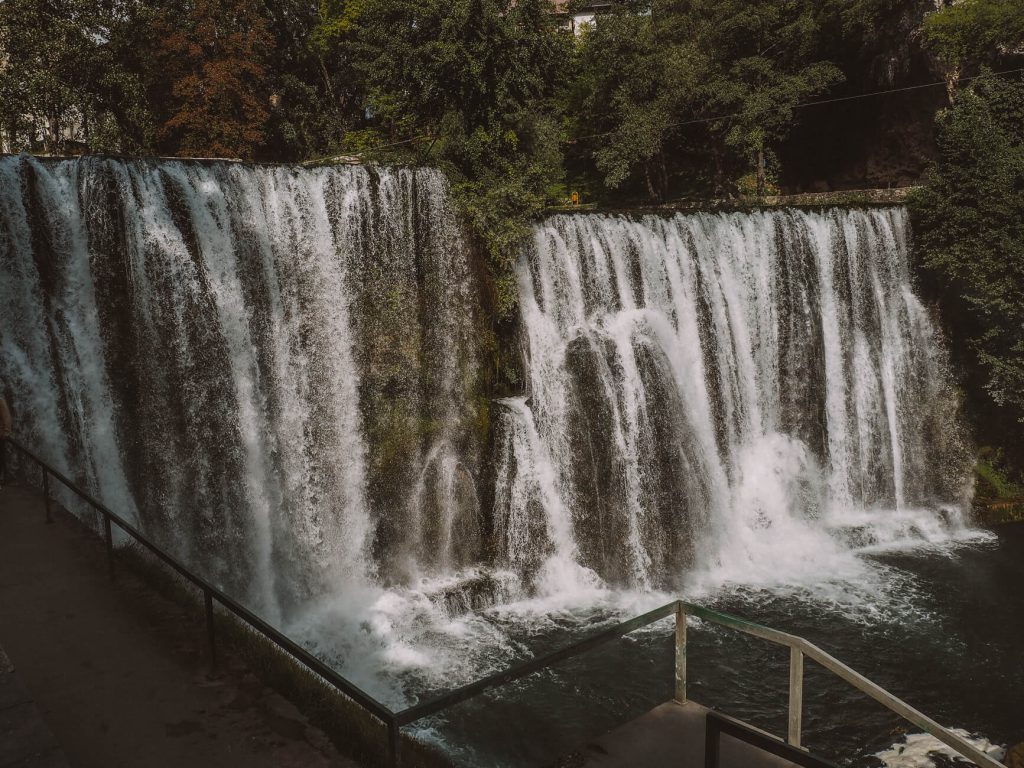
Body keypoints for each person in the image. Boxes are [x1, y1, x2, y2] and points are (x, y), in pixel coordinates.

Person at [0, 389, 11, 490]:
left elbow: (6, 417)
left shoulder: (1, 401)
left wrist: (6, 431)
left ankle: (3, 478)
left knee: (1, 458)